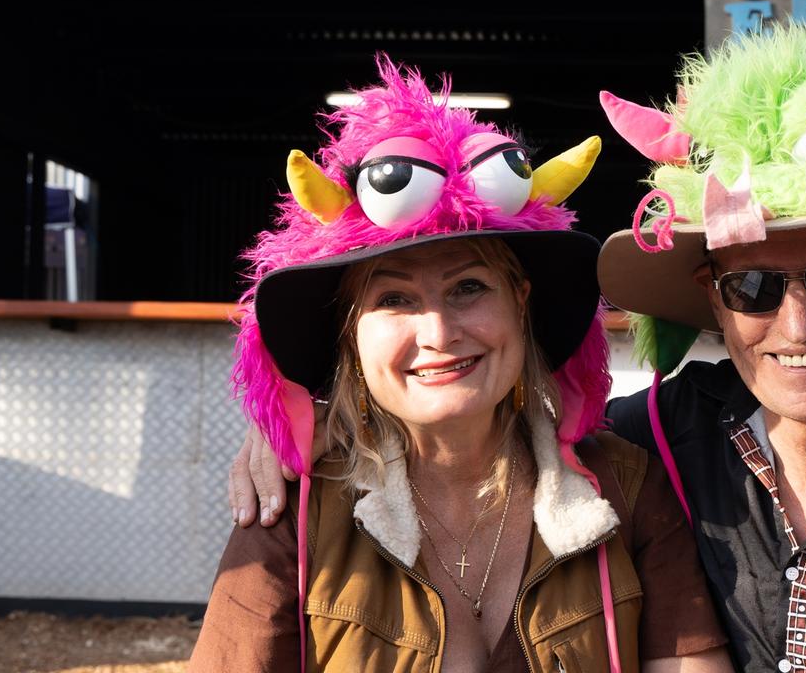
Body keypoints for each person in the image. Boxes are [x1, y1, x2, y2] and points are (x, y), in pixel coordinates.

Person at [235, 28, 806, 672]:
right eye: (751, 287)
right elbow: (498, 430)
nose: (794, 324)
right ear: (713, 300)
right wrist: (297, 424)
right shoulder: (654, 446)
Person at [193, 58, 729, 673]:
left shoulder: (627, 487)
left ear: (520, 303)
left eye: (469, 288)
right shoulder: (295, 512)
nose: (440, 333)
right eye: (393, 300)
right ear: (351, 336)